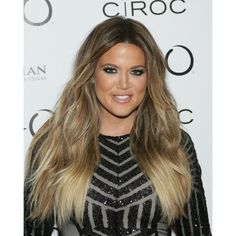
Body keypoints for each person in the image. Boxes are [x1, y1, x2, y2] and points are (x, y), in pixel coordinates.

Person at [24, 16, 212, 236]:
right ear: (91, 73)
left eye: (136, 72)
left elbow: (197, 231)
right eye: (111, 70)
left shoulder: (173, 144)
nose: (124, 84)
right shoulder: (56, 142)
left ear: (150, 78)